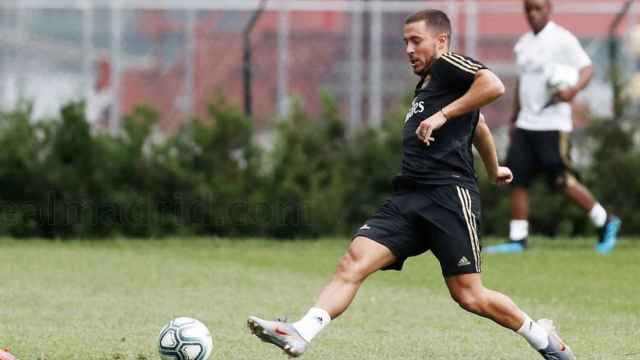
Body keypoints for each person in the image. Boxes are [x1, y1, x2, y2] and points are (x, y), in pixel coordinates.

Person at [248, 9, 575, 360]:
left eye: (416, 41)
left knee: (470, 296)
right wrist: (494, 167)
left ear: (441, 41)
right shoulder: (431, 85)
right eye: (405, 41)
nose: (408, 49)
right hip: (408, 198)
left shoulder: (449, 64)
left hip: (448, 196)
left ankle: (544, 339)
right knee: (353, 262)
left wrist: (442, 116)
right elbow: (477, 124)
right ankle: (302, 332)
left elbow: (493, 85)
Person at [485, 0, 621, 254]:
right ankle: (518, 238)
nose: (532, 14)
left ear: (548, 9)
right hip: (526, 122)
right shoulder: (524, 43)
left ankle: (605, 220)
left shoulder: (562, 39)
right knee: (517, 176)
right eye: (528, 9)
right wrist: (515, 116)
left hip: (553, 123)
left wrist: (573, 90)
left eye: (537, 8)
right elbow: (522, 81)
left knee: (561, 180)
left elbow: (587, 69)